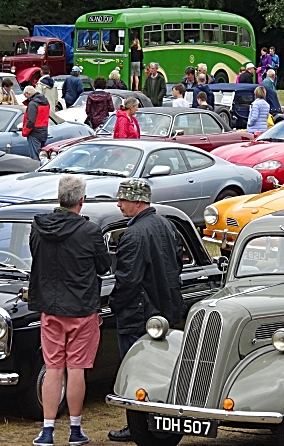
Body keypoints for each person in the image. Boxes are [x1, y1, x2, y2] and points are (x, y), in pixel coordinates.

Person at [28, 175, 111, 446]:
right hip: (81, 308)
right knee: (76, 369)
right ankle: (75, 429)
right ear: (82, 201)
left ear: (59, 198)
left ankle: (48, 429)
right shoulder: (90, 231)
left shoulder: (38, 227)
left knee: (53, 368)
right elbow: (103, 266)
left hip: (50, 307)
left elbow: (36, 256)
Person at [107, 179, 184, 442]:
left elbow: (127, 280)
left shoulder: (133, 234)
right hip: (167, 311)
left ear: (138, 201)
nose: (119, 205)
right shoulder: (168, 226)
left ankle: (137, 424)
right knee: (162, 372)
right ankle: (159, 421)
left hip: (138, 315)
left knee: (135, 372)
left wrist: (114, 304)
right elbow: (177, 265)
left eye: (123, 200)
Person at [22, 85, 50, 160]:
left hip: (34, 133)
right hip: (44, 131)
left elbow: (31, 121)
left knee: (35, 158)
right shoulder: (45, 101)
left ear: (28, 94)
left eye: (25, 96)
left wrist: (25, 132)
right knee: (42, 156)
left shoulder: (33, 104)